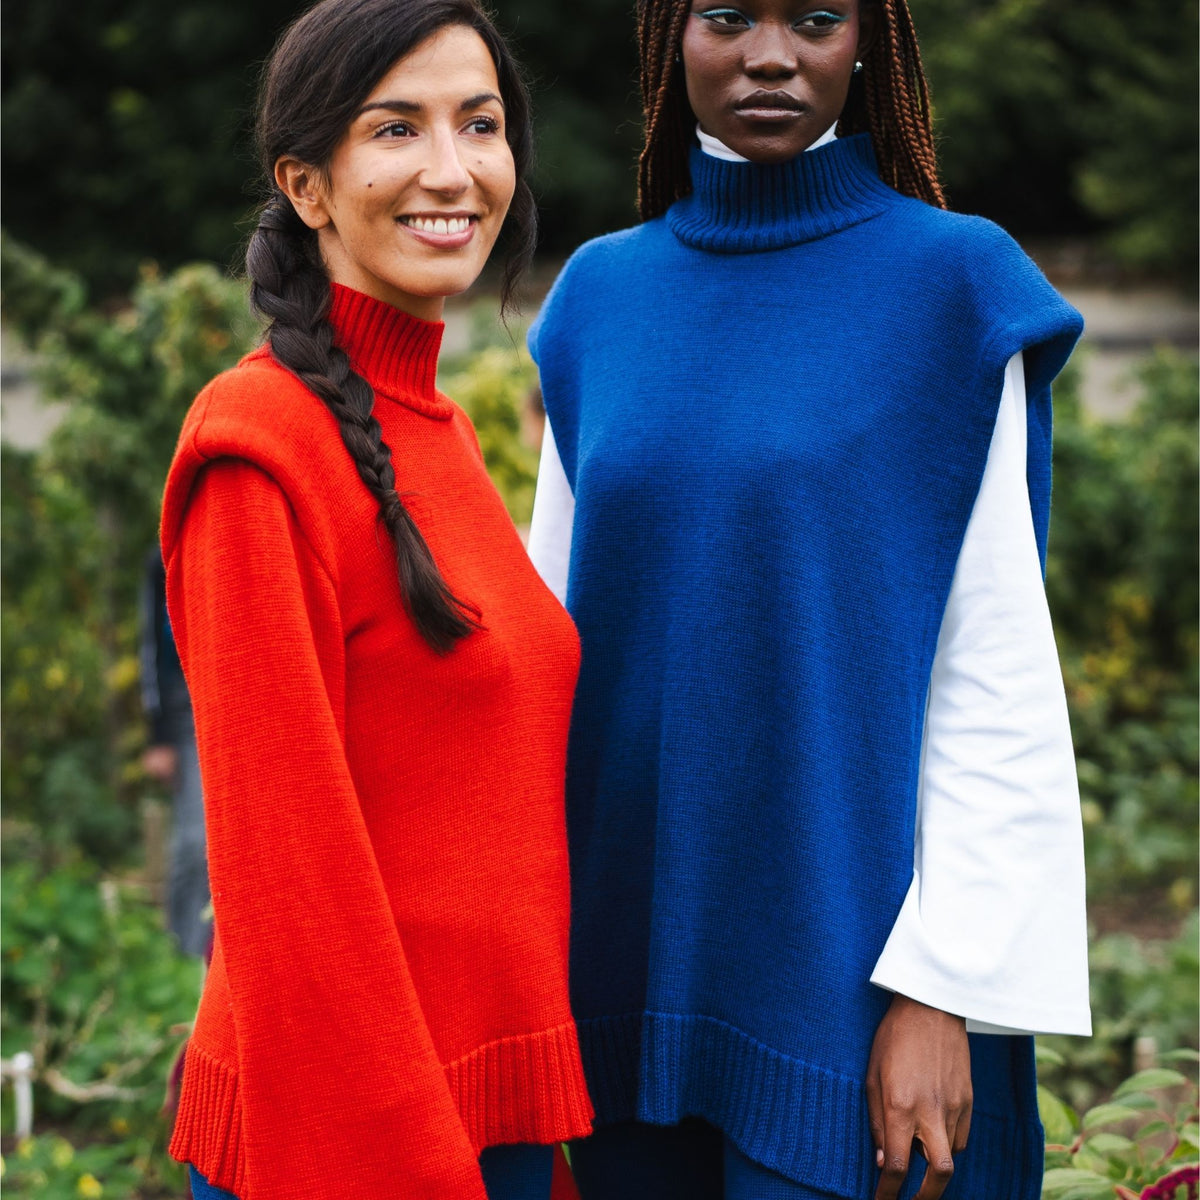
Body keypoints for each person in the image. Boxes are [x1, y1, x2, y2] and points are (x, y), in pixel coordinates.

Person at [526, 1, 1091, 1198]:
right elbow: (544, 662)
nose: (773, 55)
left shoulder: (953, 287)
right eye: (728, 15)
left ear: (870, 42)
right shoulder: (596, 303)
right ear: (667, 39)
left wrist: (943, 991)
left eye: (817, 18)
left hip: (859, 1006)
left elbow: (992, 668)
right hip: (620, 989)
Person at [159, 2, 594, 1197]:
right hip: (353, 1141)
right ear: (308, 184)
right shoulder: (260, 450)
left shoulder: (433, 431)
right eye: (395, 129)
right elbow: (289, 894)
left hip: (477, 1122)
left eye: (481, 124)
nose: (452, 170)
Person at [139, 546, 211, 959]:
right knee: (192, 839)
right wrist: (158, 735)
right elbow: (150, 648)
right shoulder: (160, 561)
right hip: (182, 704)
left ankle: (224, 955)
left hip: (234, 686)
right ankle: (182, 954)